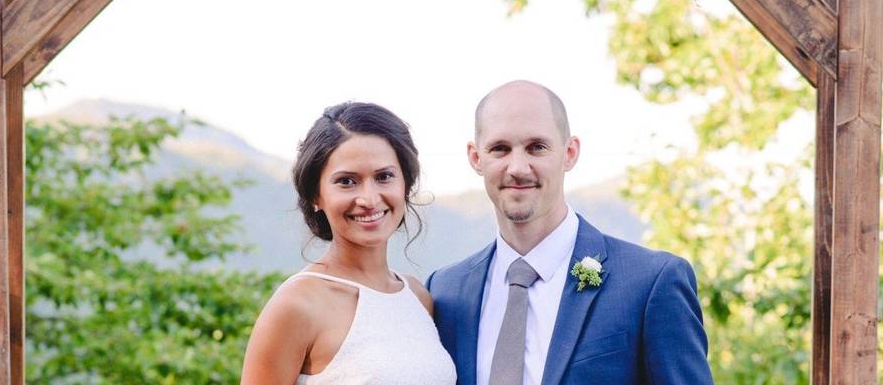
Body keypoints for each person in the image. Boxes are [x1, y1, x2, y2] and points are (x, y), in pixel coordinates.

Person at [427, 80, 713, 385]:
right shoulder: (445, 291)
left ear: (570, 152)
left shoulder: (652, 282)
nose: (518, 167)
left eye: (537, 147)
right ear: (476, 158)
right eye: (500, 149)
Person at [240, 101, 456, 385]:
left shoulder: (417, 297)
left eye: (384, 177)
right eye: (346, 181)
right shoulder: (296, 305)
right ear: (316, 195)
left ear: (405, 184)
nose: (368, 199)